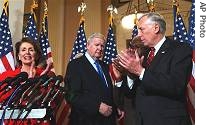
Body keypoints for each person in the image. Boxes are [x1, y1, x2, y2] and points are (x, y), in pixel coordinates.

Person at [113, 12, 193, 125]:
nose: (139, 34)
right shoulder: (143, 54)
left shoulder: (180, 50)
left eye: (142, 29)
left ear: (156, 28)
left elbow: (176, 85)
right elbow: (131, 94)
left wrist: (139, 71)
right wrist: (130, 74)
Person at [64, 33, 124, 125]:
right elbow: (71, 95)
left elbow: (107, 93)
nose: (100, 48)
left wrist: (116, 109)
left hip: (107, 120)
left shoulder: (104, 66)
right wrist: (97, 106)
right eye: (97, 45)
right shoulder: (75, 65)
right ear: (88, 45)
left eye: (102, 46)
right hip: (85, 120)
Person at [0, 37, 54, 125]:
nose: (27, 52)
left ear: (36, 55)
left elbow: (51, 100)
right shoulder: (8, 76)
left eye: (31, 50)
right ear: (18, 56)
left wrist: (34, 81)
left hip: (38, 122)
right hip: (14, 121)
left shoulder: (46, 76)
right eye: (23, 50)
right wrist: (25, 83)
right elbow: (2, 97)